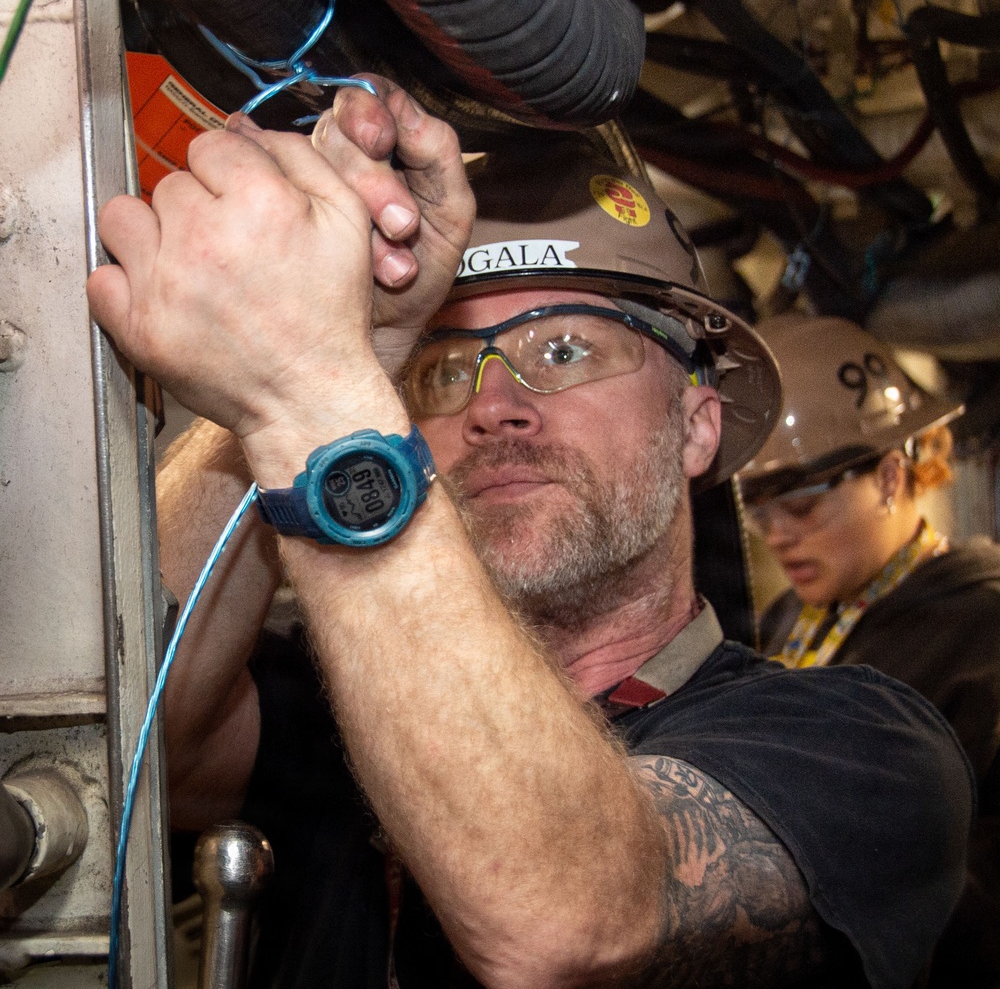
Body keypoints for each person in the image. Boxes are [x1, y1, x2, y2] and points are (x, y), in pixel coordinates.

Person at [86, 80, 974, 989]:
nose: (494, 406)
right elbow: (132, 738)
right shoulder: (349, 702)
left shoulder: (861, 753)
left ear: (696, 426)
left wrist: (305, 387)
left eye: (565, 350)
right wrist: (337, 354)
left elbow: (565, 923)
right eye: (444, 369)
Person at [739, 313, 1000, 987]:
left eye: (799, 505)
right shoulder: (792, 619)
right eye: (758, 512)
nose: (777, 536)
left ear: (888, 478)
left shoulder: (982, 637)